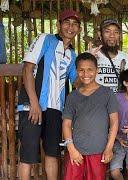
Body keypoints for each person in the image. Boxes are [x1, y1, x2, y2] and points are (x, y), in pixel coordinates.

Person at [17, 9, 81, 180]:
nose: (70, 27)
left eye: (75, 24)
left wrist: (90, 62)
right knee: (28, 153)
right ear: (58, 25)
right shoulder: (45, 39)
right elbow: (27, 70)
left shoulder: (73, 54)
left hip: (56, 109)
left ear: (79, 29)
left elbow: (76, 82)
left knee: (53, 153)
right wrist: (35, 103)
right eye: (67, 22)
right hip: (32, 105)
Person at [62, 53, 118, 180]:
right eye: (81, 70)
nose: (85, 74)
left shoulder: (107, 93)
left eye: (90, 70)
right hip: (76, 152)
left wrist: (109, 148)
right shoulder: (73, 96)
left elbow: (114, 122)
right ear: (76, 71)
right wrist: (71, 148)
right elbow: (66, 124)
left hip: (99, 151)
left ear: (97, 70)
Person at [90, 19, 128, 93]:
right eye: (107, 31)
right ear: (100, 34)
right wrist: (89, 61)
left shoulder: (125, 58)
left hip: (117, 102)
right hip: (95, 102)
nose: (112, 35)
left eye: (116, 32)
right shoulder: (90, 54)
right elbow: (77, 84)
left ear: (119, 35)